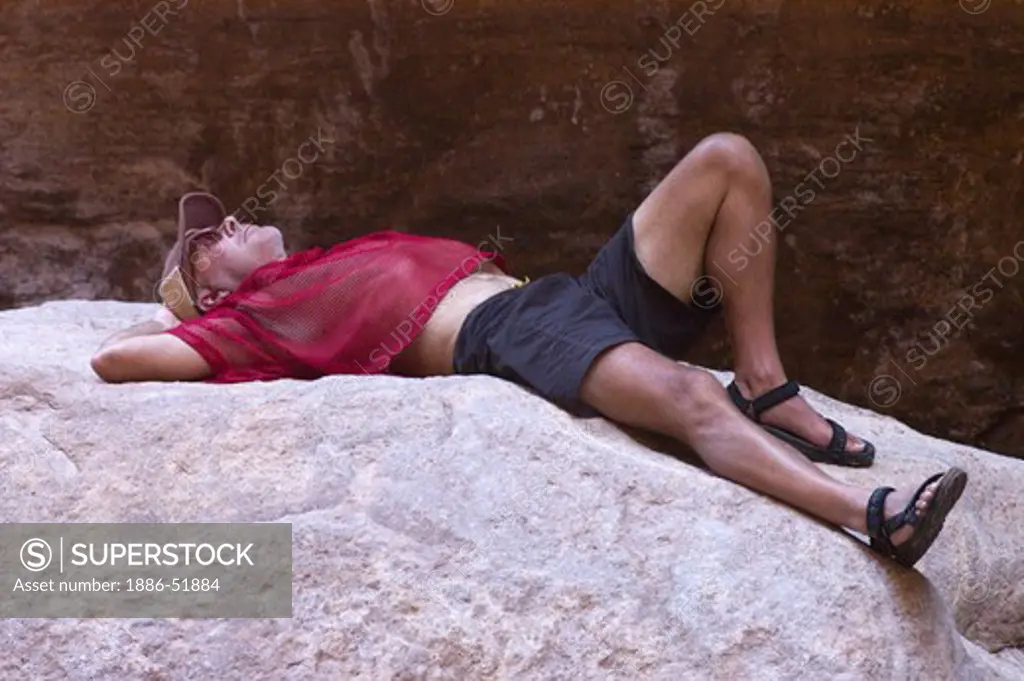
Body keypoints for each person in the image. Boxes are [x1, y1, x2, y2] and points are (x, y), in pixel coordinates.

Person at [91, 133, 967, 568]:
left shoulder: (319, 265)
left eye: (220, 219)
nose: (229, 220)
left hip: (564, 301)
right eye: (208, 241)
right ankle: (870, 515)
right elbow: (115, 363)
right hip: (506, 336)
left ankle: (769, 384)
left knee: (727, 160)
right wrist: (174, 318)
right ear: (210, 294)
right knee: (690, 395)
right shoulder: (252, 319)